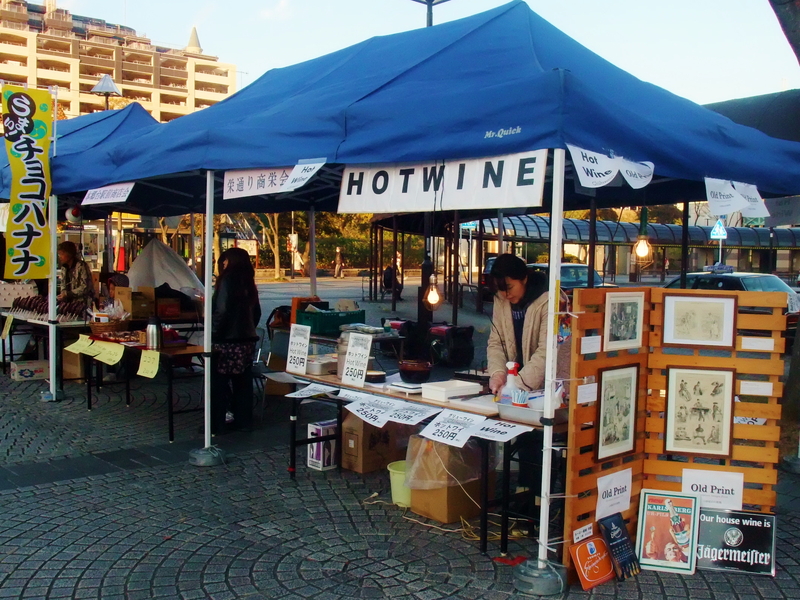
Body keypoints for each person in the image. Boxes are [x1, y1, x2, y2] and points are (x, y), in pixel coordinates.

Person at [487, 254, 570, 394]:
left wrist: (517, 384)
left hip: (553, 386)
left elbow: (547, 351)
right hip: (517, 385)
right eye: (501, 289)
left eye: (509, 287)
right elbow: (497, 342)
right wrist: (498, 373)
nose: (506, 294)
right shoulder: (501, 300)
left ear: (524, 279)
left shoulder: (554, 301)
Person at [210, 247, 261, 434]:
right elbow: (257, 312)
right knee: (243, 382)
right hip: (246, 340)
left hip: (227, 340)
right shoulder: (248, 281)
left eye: (224, 261)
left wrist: (215, 333)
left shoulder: (227, 279)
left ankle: (218, 423)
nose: (222, 264)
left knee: (219, 383)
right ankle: (243, 420)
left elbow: (222, 310)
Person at [57, 241, 95, 308]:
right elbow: (63, 283)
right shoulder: (64, 267)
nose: (60, 257)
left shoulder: (81, 266)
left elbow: (85, 287)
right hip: (68, 305)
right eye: (59, 254)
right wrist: (63, 293)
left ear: (69, 254)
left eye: (62, 254)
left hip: (83, 304)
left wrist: (68, 294)